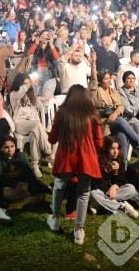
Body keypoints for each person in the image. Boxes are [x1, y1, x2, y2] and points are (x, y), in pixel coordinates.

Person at [46, 84, 103, 246]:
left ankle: (55, 219)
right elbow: (99, 141)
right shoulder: (92, 114)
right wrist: (91, 149)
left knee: (59, 187)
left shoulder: (62, 113)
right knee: (84, 193)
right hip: (87, 157)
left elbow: (52, 138)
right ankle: (79, 230)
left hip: (66, 155)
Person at [89, 56, 139, 165]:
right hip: (102, 122)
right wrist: (93, 64)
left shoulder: (113, 91)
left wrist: (115, 113)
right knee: (121, 121)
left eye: (110, 78)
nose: (109, 80)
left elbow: (121, 106)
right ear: (100, 80)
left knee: (122, 137)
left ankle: (123, 169)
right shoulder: (95, 91)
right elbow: (93, 80)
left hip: (114, 120)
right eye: (106, 78)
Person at [7, 73, 53, 177]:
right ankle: (49, 153)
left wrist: (47, 98)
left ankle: (35, 164)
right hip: (20, 124)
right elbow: (20, 93)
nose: (28, 86)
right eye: (25, 84)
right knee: (37, 125)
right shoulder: (14, 94)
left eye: (29, 84)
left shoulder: (30, 96)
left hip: (33, 125)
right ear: (20, 84)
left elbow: (38, 101)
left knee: (34, 134)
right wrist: (28, 84)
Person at [89, 135, 139, 218]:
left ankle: (99, 204)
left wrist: (114, 186)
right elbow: (95, 185)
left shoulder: (119, 159)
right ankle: (121, 207)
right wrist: (106, 171)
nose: (116, 151)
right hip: (100, 191)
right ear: (106, 149)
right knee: (93, 194)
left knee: (131, 188)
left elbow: (121, 178)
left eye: (117, 148)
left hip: (113, 192)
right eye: (112, 148)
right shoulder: (98, 160)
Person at [0, 134, 50, 207]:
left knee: (37, 194)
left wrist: (34, 193)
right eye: (6, 147)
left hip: (24, 185)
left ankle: (22, 201)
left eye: (12, 146)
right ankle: (20, 202)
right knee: (4, 192)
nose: (10, 150)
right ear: (1, 148)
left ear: (15, 147)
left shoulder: (20, 156)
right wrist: (15, 185)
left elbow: (30, 174)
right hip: (9, 186)